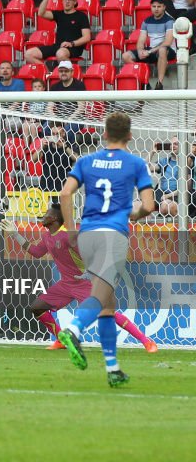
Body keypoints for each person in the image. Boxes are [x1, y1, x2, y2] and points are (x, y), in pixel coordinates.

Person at [56, 111, 156, 387]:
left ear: (104, 134)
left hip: (87, 234)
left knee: (108, 305)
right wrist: (132, 215)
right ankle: (73, 329)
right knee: (100, 296)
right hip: (113, 234)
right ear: (130, 135)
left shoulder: (86, 161)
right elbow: (148, 204)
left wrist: (71, 228)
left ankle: (113, 370)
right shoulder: (135, 163)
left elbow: (65, 194)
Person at [1, 204, 157, 352]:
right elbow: (36, 252)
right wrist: (15, 234)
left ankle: (146, 341)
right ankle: (61, 340)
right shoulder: (48, 236)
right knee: (37, 307)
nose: (43, 216)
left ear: (55, 218)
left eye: (47, 214)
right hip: (66, 284)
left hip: (84, 283)